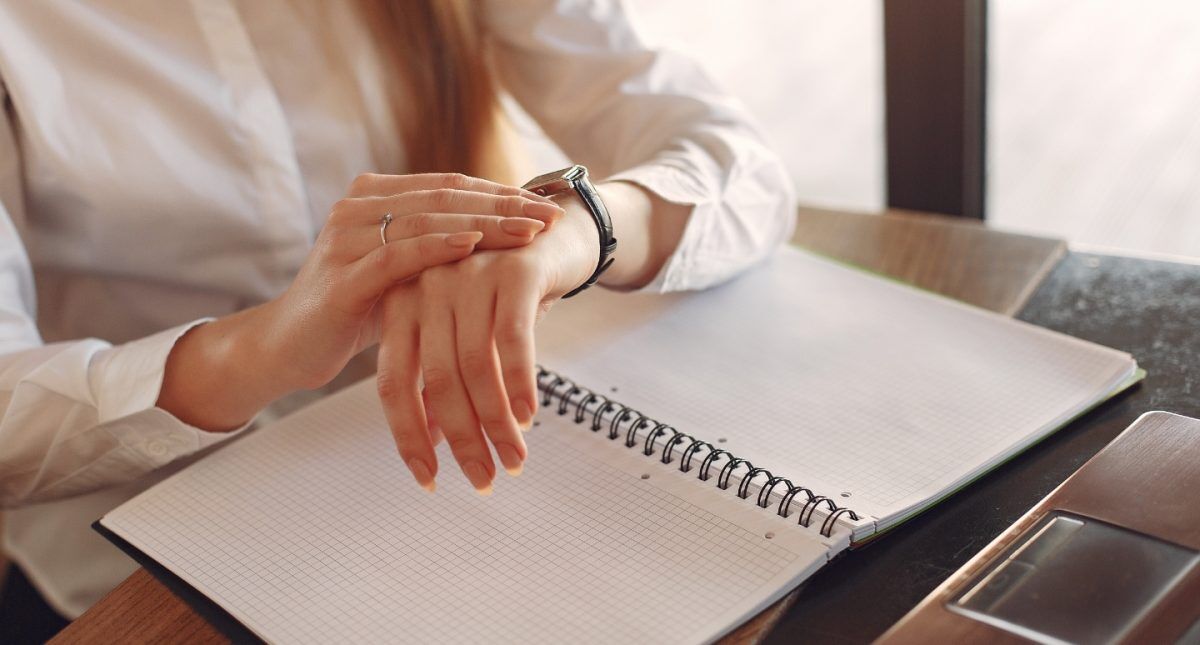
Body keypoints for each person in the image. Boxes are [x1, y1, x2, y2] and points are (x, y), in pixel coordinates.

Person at [0, 0, 795, 640]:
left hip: (460, 511)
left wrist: (572, 231)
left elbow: (742, 167)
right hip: (132, 579)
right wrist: (265, 347)